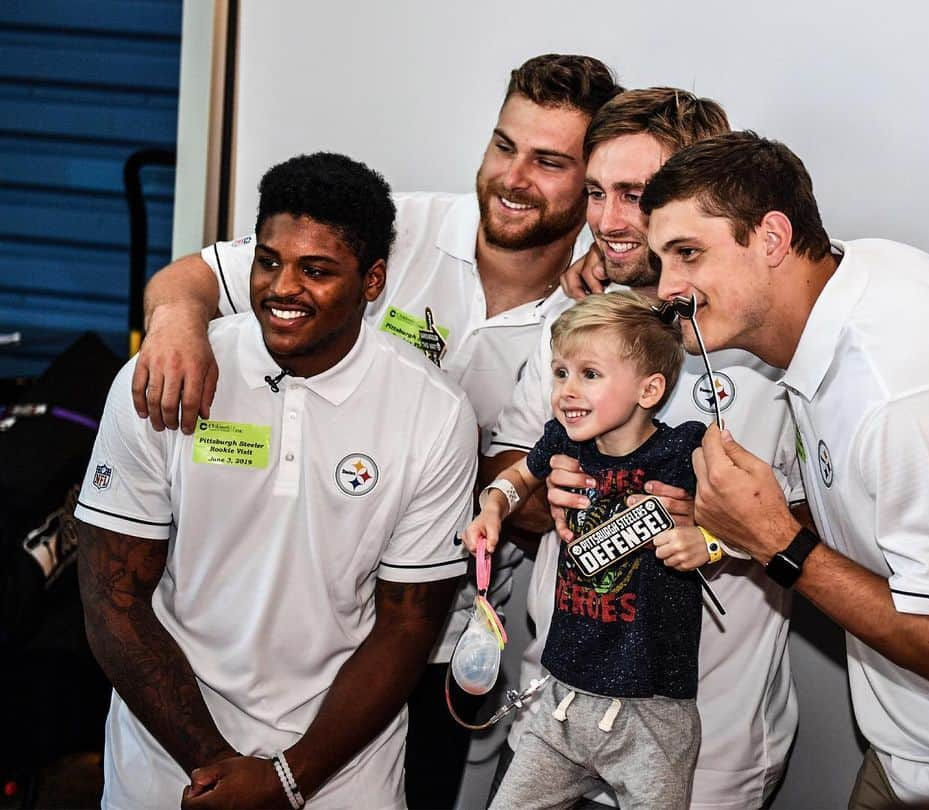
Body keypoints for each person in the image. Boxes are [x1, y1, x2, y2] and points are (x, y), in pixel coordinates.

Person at [131, 54, 622, 807]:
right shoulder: (398, 228)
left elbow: (536, 504)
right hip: (294, 614)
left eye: (548, 162)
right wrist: (173, 325)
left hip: (434, 635)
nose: (512, 177)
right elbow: (192, 279)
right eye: (503, 145)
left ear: (590, 185)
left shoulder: (599, 311)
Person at [643, 132, 929, 806]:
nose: (668, 288)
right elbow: (882, 508)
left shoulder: (905, 399)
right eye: (660, 259)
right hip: (907, 745)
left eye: (689, 254)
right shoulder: (860, 270)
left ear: (772, 238)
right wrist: (742, 523)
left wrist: (776, 544)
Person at [74, 153, 479, 809]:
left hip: (340, 776)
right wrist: (218, 770)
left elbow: (408, 627)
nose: (281, 287)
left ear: (372, 280)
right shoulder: (166, 377)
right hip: (165, 769)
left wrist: (285, 781)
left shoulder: (433, 413)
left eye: (315, 271)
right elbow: (110, 602)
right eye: (269, 261)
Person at [484, 88, 804, 809]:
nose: (605, 220)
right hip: (558, 711)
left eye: (634, 195)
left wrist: (714, 525)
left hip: (700, 740)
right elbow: (511, 474)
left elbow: (815, 539)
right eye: (596, 192)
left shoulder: (763, 346)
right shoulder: (573, 321)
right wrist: (543, 487)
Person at [466, 291, 707, 810]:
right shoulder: (563, 443)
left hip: (652, 710)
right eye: (560, 373)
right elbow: (516, 479)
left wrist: (706, 540)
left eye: (589, 374)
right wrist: (492, 507)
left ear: (650, 389)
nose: (567, 391)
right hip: (562, 697)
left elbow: (752, 529)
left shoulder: (684, 452)